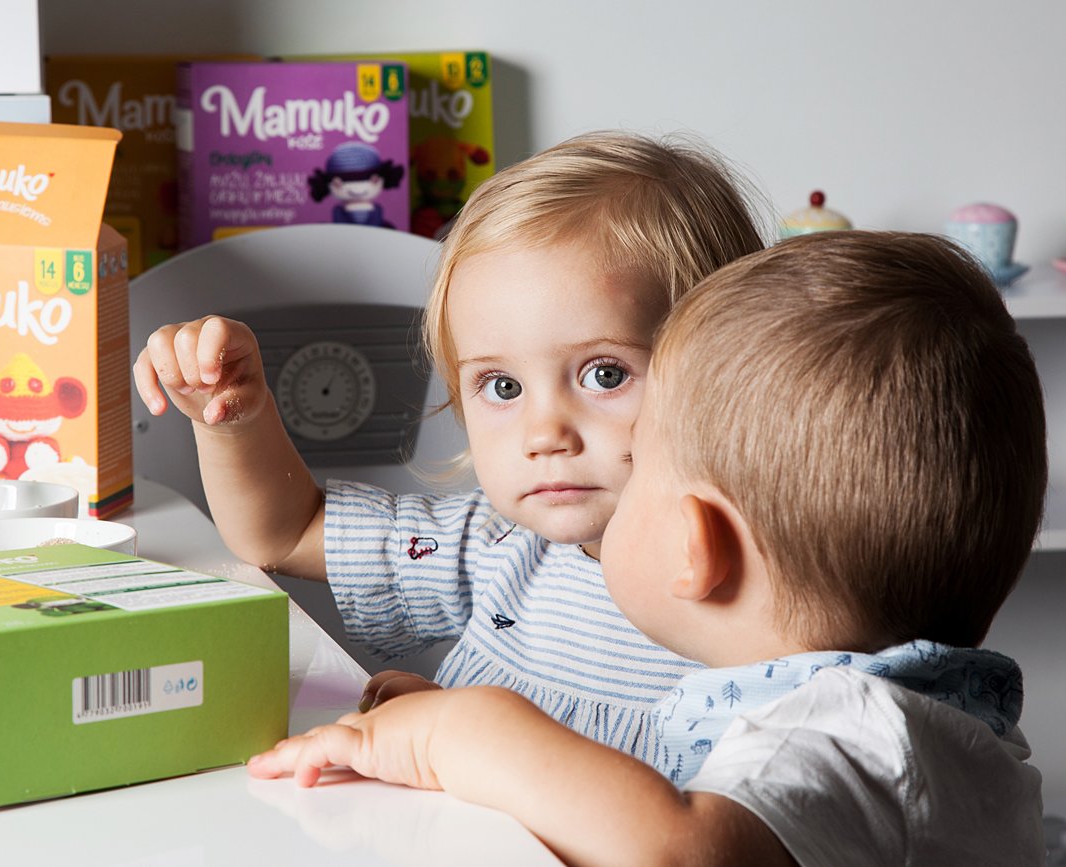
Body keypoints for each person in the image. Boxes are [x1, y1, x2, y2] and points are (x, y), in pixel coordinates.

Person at [246, 231, 1047, 865]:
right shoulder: (915, 718)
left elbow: (677, 850)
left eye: (643, 472)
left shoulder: (852, 733)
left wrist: (457, 732)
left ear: (697, 548)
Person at [134, 130, 766, 753]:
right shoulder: (494, 545)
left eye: (604, 375)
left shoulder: (778, 598)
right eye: (502, 386)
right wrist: (233, 418)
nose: (544, 435)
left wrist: (458, 731)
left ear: (728, 371)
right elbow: (285, 534)